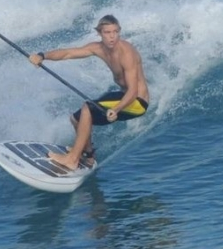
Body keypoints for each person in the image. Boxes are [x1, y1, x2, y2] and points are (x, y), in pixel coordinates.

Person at [28, 15, 150, 170]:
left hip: (137, 102)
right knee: (76, 119)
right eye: (107, 32)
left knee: (88, 107)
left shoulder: (126, 53)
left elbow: (133, 91)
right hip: (124, 96)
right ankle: (88, 155)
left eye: (115, 32)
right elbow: (68, 53)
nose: (112, 36)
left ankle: (72, 159)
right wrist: (42, 56)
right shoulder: (97, 48)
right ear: (100, 33)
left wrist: (116, 109)